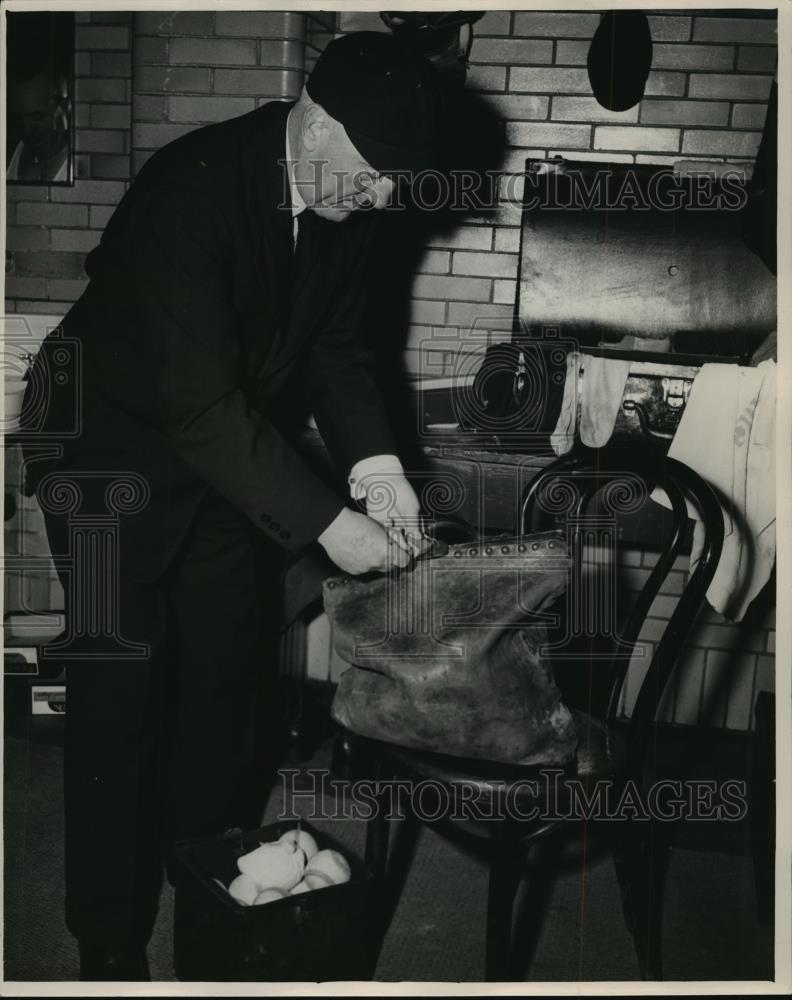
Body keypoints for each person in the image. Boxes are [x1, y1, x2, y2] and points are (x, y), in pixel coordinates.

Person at [22, 31, 442, 981]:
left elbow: (338, 351)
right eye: (375, 176)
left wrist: (380, 472)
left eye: (396, 186)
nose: (383, 201)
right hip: (101, 455)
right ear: (316, 120)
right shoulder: (191, 188)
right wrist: (337, 525)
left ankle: (207, 888)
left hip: (217, 456)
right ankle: (109, 940)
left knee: (222, 696)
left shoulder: (352, 200)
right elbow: (198, 404)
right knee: (117, 704)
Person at [7, 67, 71, 183]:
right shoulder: (19, 150)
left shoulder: (78, 165)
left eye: (36, 117)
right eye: (18, 118)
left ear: (64, 107)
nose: (26, 130)